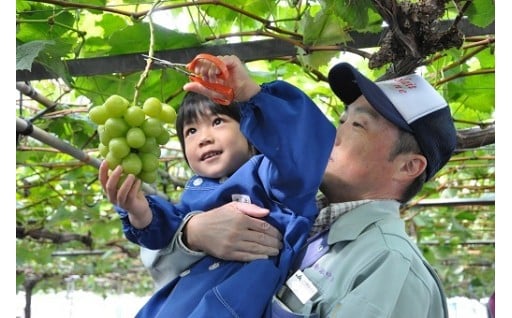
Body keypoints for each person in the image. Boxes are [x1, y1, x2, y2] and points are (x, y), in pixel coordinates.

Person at [151, 61, 457, 317]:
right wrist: (192, 233)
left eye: (358, 125)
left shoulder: (390, 269)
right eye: (342, 119)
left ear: (408, 166)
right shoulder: (300, 223)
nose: (335, 134)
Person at [98, 55, 336, 317]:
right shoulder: (196, 193)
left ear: (250, 130)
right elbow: (166, 232)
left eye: (218, 121)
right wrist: (140, 213)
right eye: (191, 131)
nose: (204, 138)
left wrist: (252, 96)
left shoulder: (270, 176)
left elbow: (300, 152)